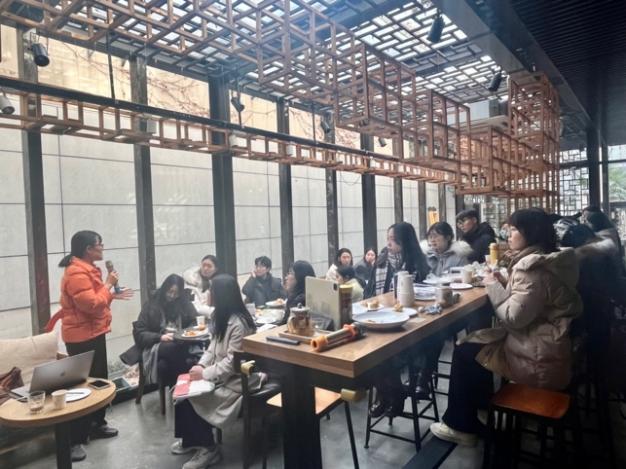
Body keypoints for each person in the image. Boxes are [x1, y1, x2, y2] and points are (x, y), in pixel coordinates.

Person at [430, 209, 582, 447]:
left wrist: (493, 285)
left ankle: (461, 426)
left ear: (530, 233)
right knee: (475, 343)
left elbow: (512, 318)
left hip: (538, 360)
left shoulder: (533, 269)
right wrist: (506, 283)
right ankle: (481, 406)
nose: (507, 235)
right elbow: (531, 302)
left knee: (465, 350)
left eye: (513, 230)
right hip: (547, 345)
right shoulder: (549, 259)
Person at [45, 230, 133, 462]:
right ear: (88, 249)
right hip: (80, 337)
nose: (102, 247)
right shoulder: (75, 273)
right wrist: (109, 284)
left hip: (94, 332)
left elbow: (96, 299)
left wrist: (111, 293)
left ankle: (96, 424)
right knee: (81, 386)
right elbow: (91, 305)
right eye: (99, 244)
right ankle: (73, 440)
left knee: (99, 380)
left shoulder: (88, 269)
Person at [172, 274, 260, 469]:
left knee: (192, 397)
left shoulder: (239, 324)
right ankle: (191, 440)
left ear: (222, 295)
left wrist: (204, 374)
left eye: (212, 290)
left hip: (238, 382)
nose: (209, 293)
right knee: (181, 393)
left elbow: (232, 364)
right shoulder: (221, 316)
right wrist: (201, 366)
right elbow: (212, 349)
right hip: (222, 376)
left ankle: (209, 449)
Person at [132, 274, 198, 387]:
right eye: (170, 291)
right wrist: (160, 337)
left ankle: (176, 389)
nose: (172, 296)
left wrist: (183, 333)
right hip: (156, 344)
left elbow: (195, 322)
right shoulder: (152, 305)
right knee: (173, 347)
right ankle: (184, 387)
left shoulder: (184, 303)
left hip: (181, 342)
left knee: (165, 364)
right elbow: (140, 333)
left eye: (176, 293)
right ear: (165, 288)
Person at [364, 222, 430, 298]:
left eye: (393, 239)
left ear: (406, 240)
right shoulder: (381, 263)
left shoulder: (419, 265)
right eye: (388, 239)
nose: (389, 244)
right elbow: (368, 293)